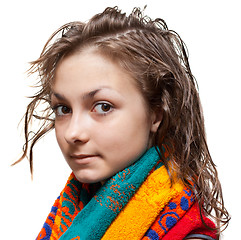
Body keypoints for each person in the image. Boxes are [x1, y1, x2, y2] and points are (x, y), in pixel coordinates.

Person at [14, 6, 230, 240]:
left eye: (103, 107)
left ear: (156, 115)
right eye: (63, 109)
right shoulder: (68, 217)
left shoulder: (188, 235)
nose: (73, 132)